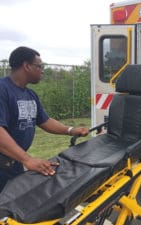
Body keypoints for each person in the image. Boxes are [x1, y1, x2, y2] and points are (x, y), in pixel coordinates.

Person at [0, 47, 89, 192]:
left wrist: (71, 130)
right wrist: (27, 160)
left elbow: (44, 121)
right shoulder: (2, 89)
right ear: (26, 66)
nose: (42, 70)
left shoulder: (30, 94)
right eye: (39, 66)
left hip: (13, 164)